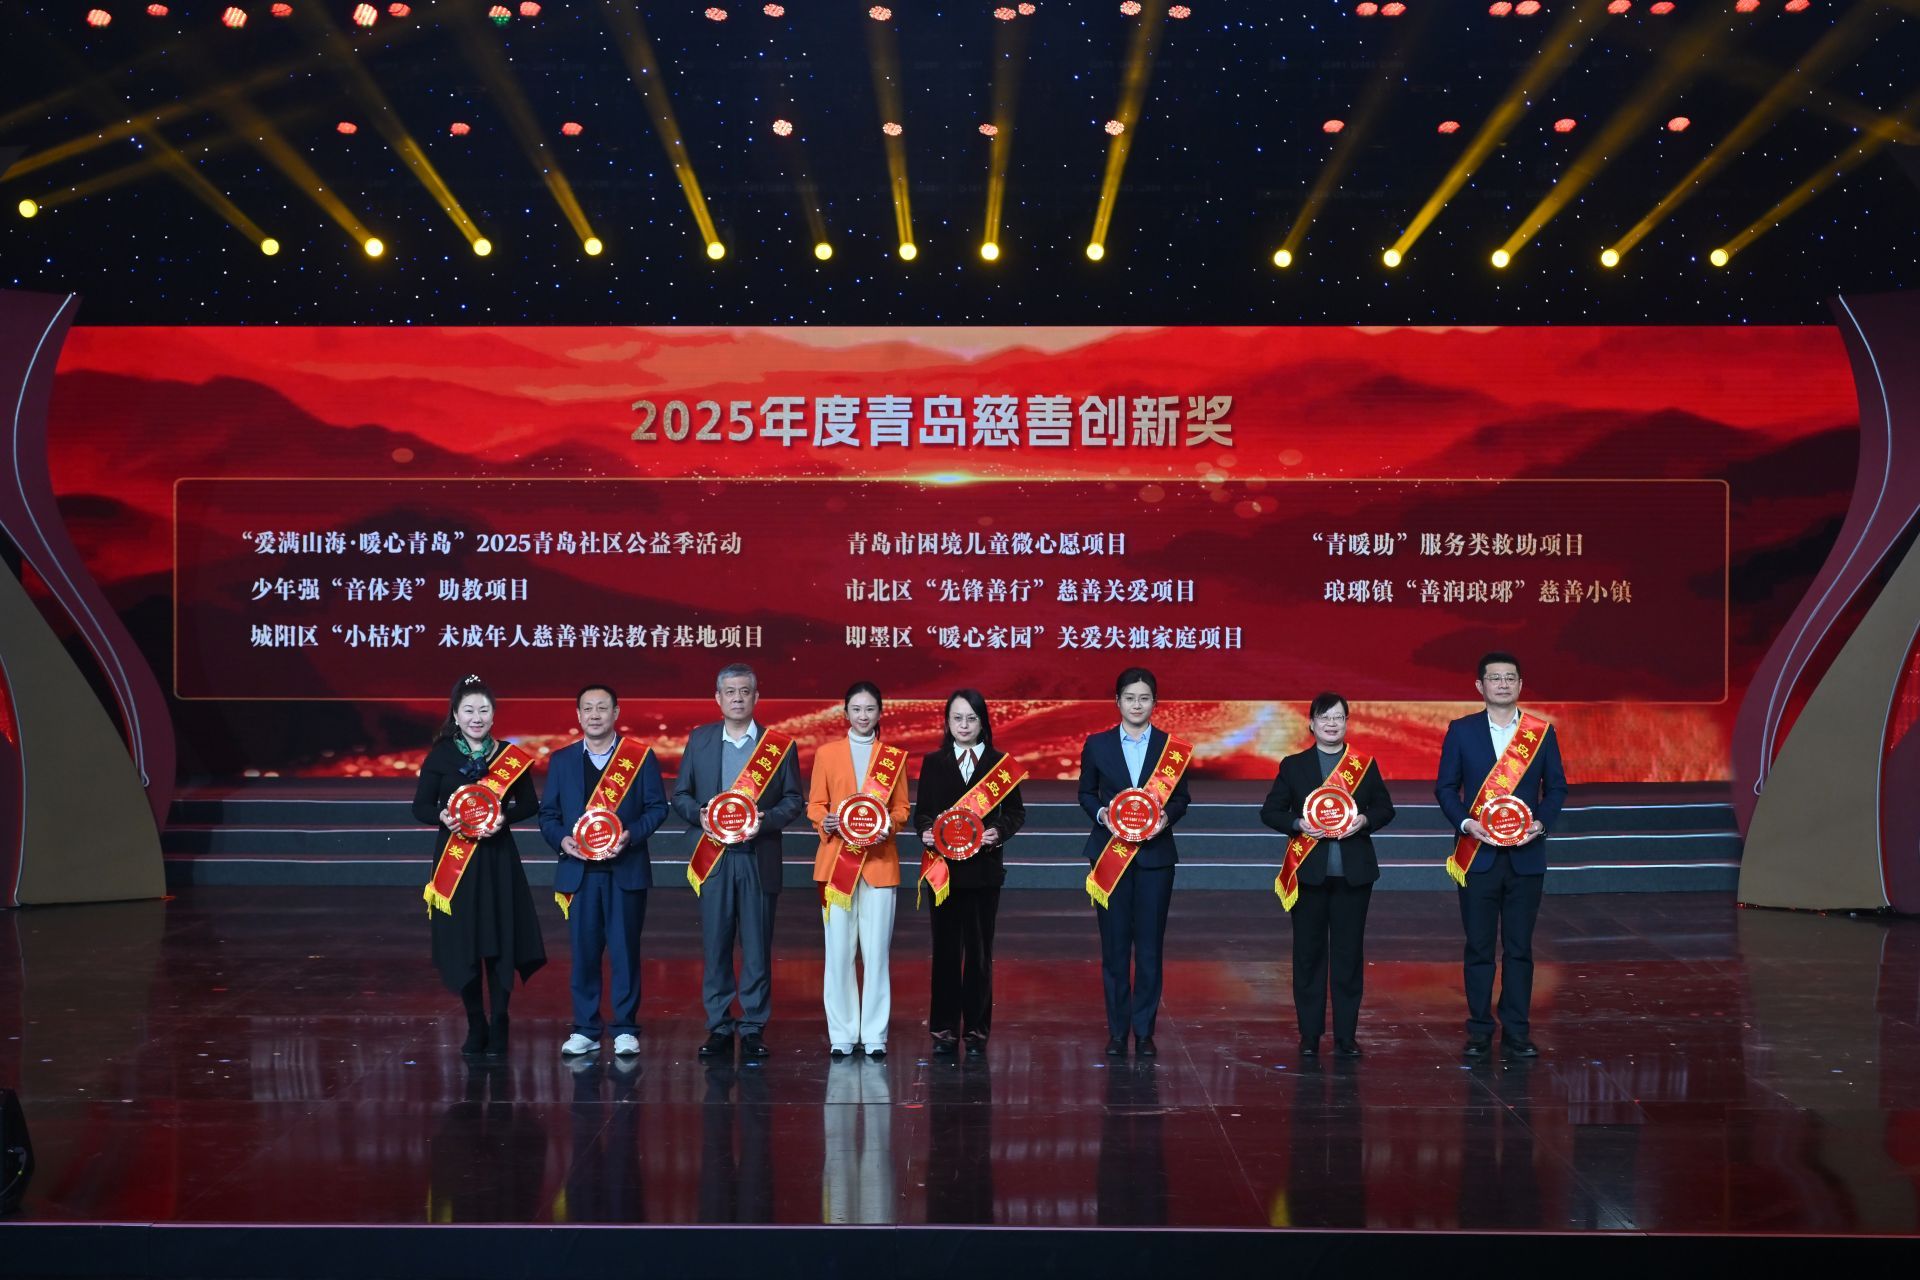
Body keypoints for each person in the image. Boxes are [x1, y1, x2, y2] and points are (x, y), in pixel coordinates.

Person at [1435, 652, 1569, 1061]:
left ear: (1520, 684)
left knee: (1519, 948)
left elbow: (1556, 788)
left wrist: (1541, 824)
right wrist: (1465, 823)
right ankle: (1479, 1030)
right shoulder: (1461, 731)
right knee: (1478, 947)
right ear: (1480, 686)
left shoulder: (1540, 733)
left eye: (1510, 677)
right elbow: (1445, 788)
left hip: (1526, 859)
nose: (1503, 684)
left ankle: (1517, 1031)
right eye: (1495, 678)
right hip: (1478, 855)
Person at [670, 662, 805, 1059]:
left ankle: (752, 1026)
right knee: (716, 944)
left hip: (757, 857)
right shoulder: (700, 740)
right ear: (718, 698)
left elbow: (793, 800)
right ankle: (718, 1025)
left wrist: (766, 820)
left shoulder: (778, 746)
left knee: (757, 947)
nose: (738, 698)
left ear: (756, 697)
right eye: (730, 692)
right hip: (714, 858)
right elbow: (681, 796)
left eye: (745, 691)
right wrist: (701, 816)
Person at [413, 674, 546, 1059]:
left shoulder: (508, 756)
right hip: (456, 860)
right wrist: (443, 816)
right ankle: (476, 1022)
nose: (477, 717)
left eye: (484, 710)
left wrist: (504, 817)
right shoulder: (441, 755)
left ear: (493, 715)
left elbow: (529, 805)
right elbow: (420, 806)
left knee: (500, 937)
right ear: (456, 715)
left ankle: (500, 1020)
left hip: (497, 858)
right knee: (464, 940)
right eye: (469, 710)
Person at [1258, 692, 1396, 1057]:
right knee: (1308, 955)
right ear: (1311, 724)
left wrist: (1364, 820)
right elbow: (1270, 811)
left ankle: (1346, 1036)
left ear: (1347, 723)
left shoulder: (1363, 764)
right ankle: (1310, 1034)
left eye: (1338, 717)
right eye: (1325, 718)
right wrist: (1297, 824)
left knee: (1349, 957)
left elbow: (1385, 808)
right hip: (1309, 875)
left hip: (1354, 875)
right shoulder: (1294, 765)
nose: (1331, 724)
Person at [538, 683, 669, 1059]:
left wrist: (631, 835)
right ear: (578, 715)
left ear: (616, 713)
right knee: (583, 952)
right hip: (579, 871)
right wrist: (562, 840)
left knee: (625, 951)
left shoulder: (639, 757)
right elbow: (548, 815)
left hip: (625, 869)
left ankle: (625, 1028)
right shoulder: (562, 760)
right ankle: (586, 1028)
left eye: (601, 707)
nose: (594, 715)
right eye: (588, 708)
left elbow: (657, 808)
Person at [1077, 667, 1193, 1058]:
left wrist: (1166, 818)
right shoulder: (1097, 745)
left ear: (1154, 703)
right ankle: (1116, 1031)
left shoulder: (1171, 749)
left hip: (1155, 859)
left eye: (1144, 698)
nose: (1137, 705)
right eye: (1130, 698)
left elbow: (1181, 798)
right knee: (1114, 948)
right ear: (1118, 702)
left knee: (1148, 948)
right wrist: (1102, 815)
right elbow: (1086, 793)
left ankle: (1144, 1031)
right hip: (1110, 854)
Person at [911, 688, 1026, 1058]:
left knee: (978, 954)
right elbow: (922, 813)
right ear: (947, 722)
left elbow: (1015, 813)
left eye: (971, 718)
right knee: (945, 952)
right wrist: (925, 831)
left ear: (982, 722)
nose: (964, 725)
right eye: (957, 718)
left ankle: (976, 1032)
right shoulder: (933, 762)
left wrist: (998, 832)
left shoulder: (1000, 764)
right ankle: (944, 1031)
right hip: (943, 873)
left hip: (983, 872)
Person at [808, 681, 910, 1059]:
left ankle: (875, 1034)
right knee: (838, 952)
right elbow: (815, 804)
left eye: (869, 709)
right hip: (837, 865)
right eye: (856, 709)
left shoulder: (892, 758)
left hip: (879, 865)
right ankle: (842, 1033)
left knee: (876, 953)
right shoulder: (827, 754)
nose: (863, 716)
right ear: (845, 712)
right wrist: (825, 821)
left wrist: (889, 826)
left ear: (880, 712)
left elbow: (901, 809)